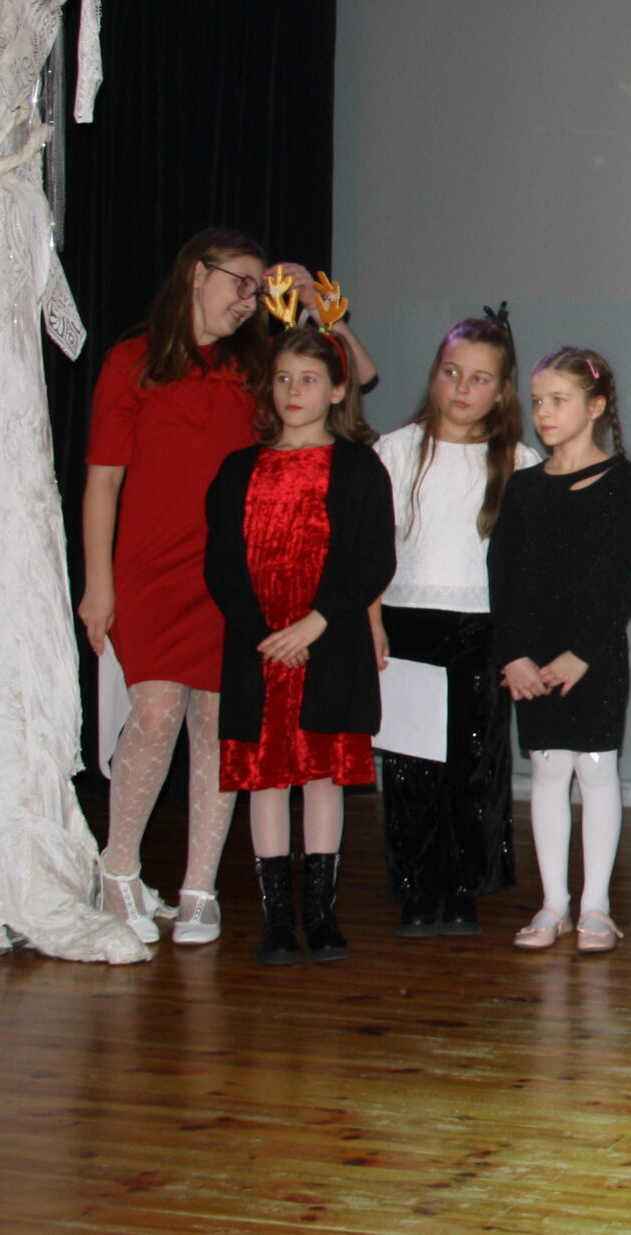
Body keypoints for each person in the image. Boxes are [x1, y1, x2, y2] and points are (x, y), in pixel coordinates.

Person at [81, 228, 366, 947]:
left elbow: (355, 373)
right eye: (237, 282)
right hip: (151, 571)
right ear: (194, 274)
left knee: (219, 724)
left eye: (256, 288)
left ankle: (199, 888)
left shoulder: (255, 363)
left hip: (233, 574)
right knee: (154, 714)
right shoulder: (131, 360)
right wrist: (97, 583)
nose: (247, 299)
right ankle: (117, 869)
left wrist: (318, 303)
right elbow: (103, 480)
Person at [204, 327, 396, 966]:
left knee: (320, 774)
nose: (293, 391)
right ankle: (277, 919)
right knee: (265, 777)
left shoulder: (359, 468)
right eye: (284, 378)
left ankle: (320, 913)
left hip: (328, 645)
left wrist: (315, 624)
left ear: (337, 390)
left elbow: (372, 560)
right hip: (259, 650)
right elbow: (222, 566)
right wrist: (264, 635)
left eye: (309, 380)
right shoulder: (237, 469)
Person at [371, 313, 538, 937]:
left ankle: (466, 886)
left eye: (480, 379)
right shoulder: (395, 451)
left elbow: (526, 567)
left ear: (502, 390)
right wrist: (373, 623)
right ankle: (417, 888)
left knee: (476, 764)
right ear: (434, 375)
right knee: (412, 765)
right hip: (408, 623)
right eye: (451, 373)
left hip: (483, 628)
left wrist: (521, 642)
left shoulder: (519, 462)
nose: (462, 389)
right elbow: (371, 551)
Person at [489, 346, 631, 952]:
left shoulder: (622, 481)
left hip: (594, 657)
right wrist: (513, 655)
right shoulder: (524, 486)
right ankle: (553, 903)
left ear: (596, 406)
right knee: (549, 769)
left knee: (596, 768)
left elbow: (628, 576)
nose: (544, 413)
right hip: (532, 659)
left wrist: (583, 654)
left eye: (559, 400)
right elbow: (503, 574)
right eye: (538, 402)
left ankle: (596, 906)